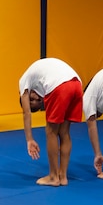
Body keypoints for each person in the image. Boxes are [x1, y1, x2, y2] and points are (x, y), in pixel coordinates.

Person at [19, 58, 82, 186]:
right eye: (36, 102)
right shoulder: (41, 84)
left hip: (61, 85)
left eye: (32, 99)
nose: (35, 100)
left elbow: (26, 113)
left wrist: (29, 139)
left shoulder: (23, 82)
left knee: (50, 132)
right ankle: (62, 176)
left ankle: (53, 177)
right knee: (64, 132)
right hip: (77, 85)